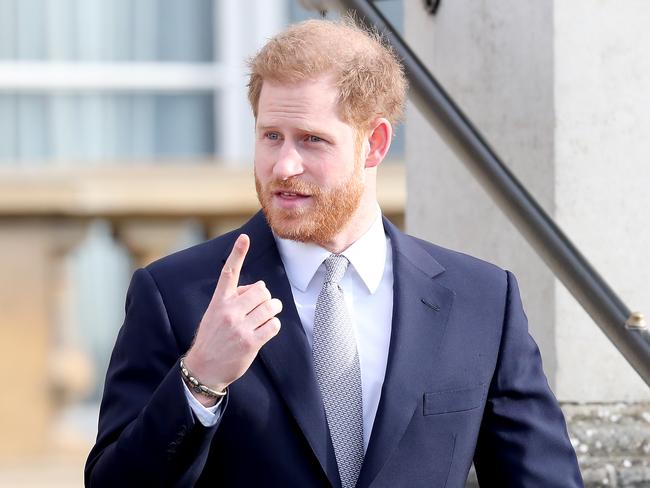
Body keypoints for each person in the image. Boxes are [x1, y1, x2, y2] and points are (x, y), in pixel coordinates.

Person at [85, 18, 583, 487]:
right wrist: (201, 380)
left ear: (375, 143)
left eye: (312, 140)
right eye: (271, 136)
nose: (283, 166)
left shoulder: (482, 300)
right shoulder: (176, 295)